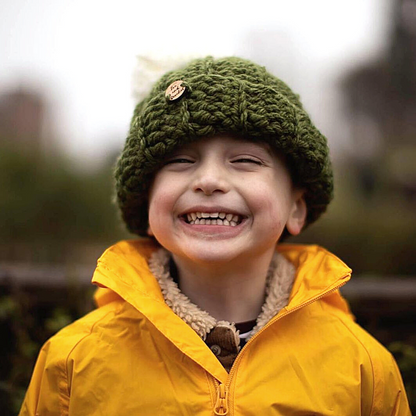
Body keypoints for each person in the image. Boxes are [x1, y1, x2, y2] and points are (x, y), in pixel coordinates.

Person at [19, 56, 410, 415]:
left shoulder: (363, 369)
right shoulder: (72, 361)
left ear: (296, 207)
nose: (208, 180)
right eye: (180, 161)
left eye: (245, 160)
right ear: (146, 206)